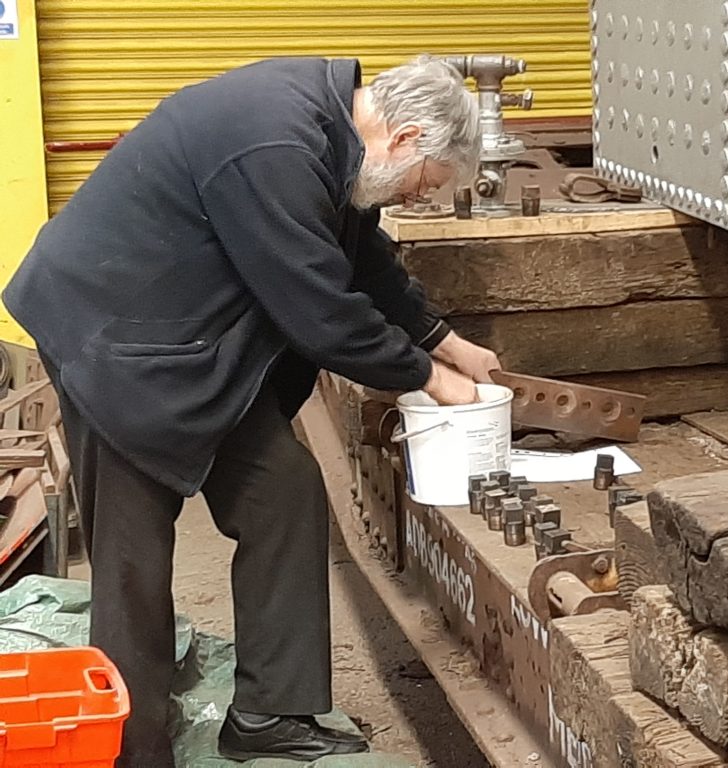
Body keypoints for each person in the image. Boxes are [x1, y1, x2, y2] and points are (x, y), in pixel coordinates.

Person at [2, 54, 500, 766]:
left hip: (187, 338)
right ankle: (131, 747)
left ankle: (270, 713)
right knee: (134, 553)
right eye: (427, 184)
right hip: (111, 332)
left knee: (285, 497)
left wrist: (446, 341)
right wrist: (426, 378)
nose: (421, 199)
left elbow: (362, 259)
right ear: (407, 138)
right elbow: (319, 309)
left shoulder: (337, 139)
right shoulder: (274, 140)